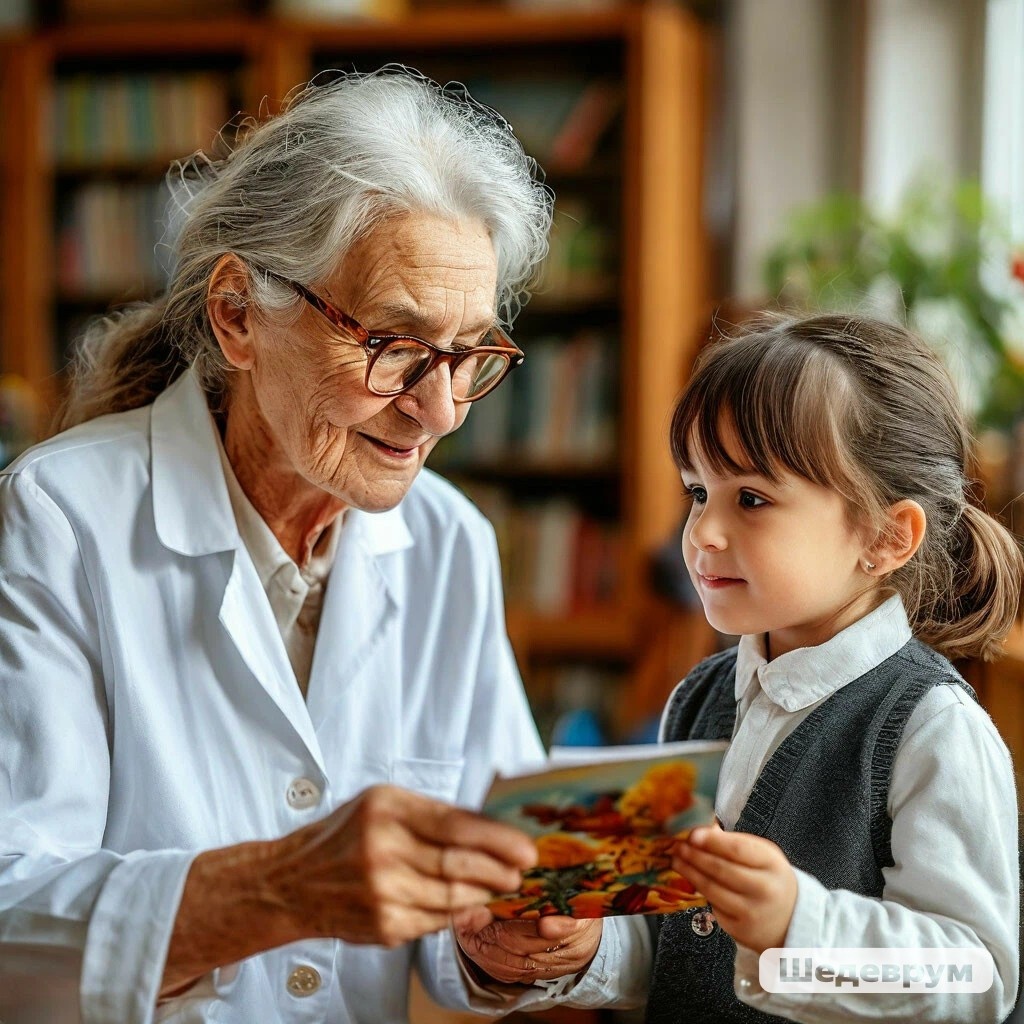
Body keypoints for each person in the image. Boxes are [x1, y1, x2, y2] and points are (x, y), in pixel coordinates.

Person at [0, 68, 649, 1023]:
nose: (438, 411)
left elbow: (478, 904)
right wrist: (278, 889)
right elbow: (13, 916)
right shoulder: (56, 519)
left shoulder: (447, 543)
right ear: (238, 317)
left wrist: (527, 941)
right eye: (395, 342)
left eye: (470, 354)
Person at [643, 313, 1022, 1022]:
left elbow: (979, 979)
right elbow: (671, 940)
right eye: (698, 492)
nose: (702, 533)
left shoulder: (934, 730)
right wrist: (581, 953)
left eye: (751, 499)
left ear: (884, 536)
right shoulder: (697, 699)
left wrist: (798, 924)